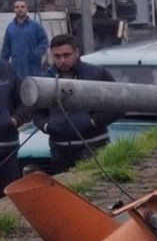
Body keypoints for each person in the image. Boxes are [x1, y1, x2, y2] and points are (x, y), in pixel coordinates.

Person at [31, 34, 117, 173]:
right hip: (60, 150)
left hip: (93, 145)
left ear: (77, 52)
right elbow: (36, 112)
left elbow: (118, 105)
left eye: (66, 55)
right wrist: (47, 126)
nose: (62, 60)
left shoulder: (97, 74)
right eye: (57, 56)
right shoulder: (46, 79)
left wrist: (93, 121)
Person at [0, 28, 28, 202]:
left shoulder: (7, 70)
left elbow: (25, 102)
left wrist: (15, 120)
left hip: (5, 152)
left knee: (4, 207)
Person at [0, 0, 47, 80]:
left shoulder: (35, 26)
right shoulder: (10, 28)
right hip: (16, 68)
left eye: (22, 6)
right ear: (14, 10)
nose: (20, 9)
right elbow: (6, 49)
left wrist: (36, 53)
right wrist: (2, 66)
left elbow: (44, 41)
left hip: (33, 68)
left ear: (27, 9)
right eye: (17, 7)